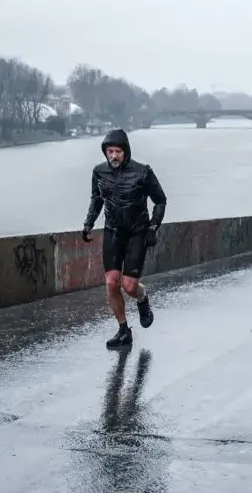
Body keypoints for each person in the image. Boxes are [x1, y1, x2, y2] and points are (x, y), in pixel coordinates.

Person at [81, 128, 167, 349]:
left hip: (137, 232)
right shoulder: (99, 172)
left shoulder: (143, 172)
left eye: (117, 151)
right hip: (113, 231)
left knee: (129, 286)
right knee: (111, 283)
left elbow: (160, 200)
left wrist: (153, 227)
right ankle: (123, 330)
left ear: (125, 152)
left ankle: (142, 297)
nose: (113, 156)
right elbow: (96, 199)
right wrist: (88, 223)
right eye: (109, 151)